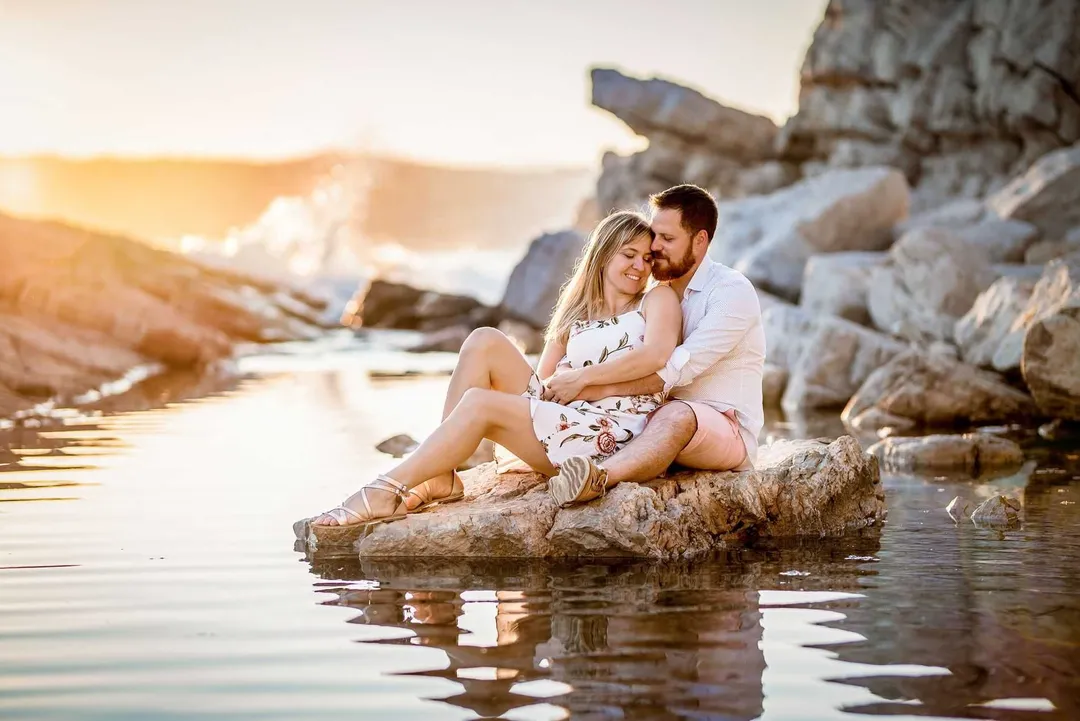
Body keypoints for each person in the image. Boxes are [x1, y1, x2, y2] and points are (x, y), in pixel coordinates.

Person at [307, 209, 682, 530]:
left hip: (612, 435)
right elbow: (544, 384)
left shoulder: (656, 299)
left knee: (479, 403)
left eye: (647, 258)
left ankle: (383, 489)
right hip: (567, 417)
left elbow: (656, 355)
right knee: (483, 339)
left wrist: (581, 379)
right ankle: (440, 475)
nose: (640, 266)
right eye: (629, 255)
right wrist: (560, 387)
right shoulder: (576, 313)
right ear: (603, 255)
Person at [546, 184, 765, 508]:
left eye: (668, 238)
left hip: (724, 428)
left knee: (678, 414)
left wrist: (589, 384)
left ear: (700, 240)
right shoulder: (656, 293)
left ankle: (597, 479)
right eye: (656, 234)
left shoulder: (730, 292)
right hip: (653, 421)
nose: (655, 245)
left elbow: (673, 371)